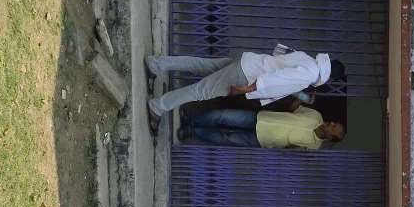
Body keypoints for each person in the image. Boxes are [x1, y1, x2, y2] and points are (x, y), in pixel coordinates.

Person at [145, 44, 345, 130]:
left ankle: (156, 64)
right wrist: (246, 89)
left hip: (248, 62)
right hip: (247, 76)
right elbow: (276, 79)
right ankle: (157, 106)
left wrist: (302, 96)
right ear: (328, 77)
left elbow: (279, 57)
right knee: (201, 92)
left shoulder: (308, 60)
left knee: (201, 65)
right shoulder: (310, 75)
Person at [178, 105, 344, 150]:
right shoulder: (316, 115)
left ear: (330, 138)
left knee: (225, 138)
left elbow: (290, 154)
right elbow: (294, 109)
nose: (331, 123)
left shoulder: (313, 148)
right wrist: (300, 98)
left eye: (333, 127)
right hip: (262, 118)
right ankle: (191, 120)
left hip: (262, 140)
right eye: (334, 123)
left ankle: (192, 131)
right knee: (224, 116)